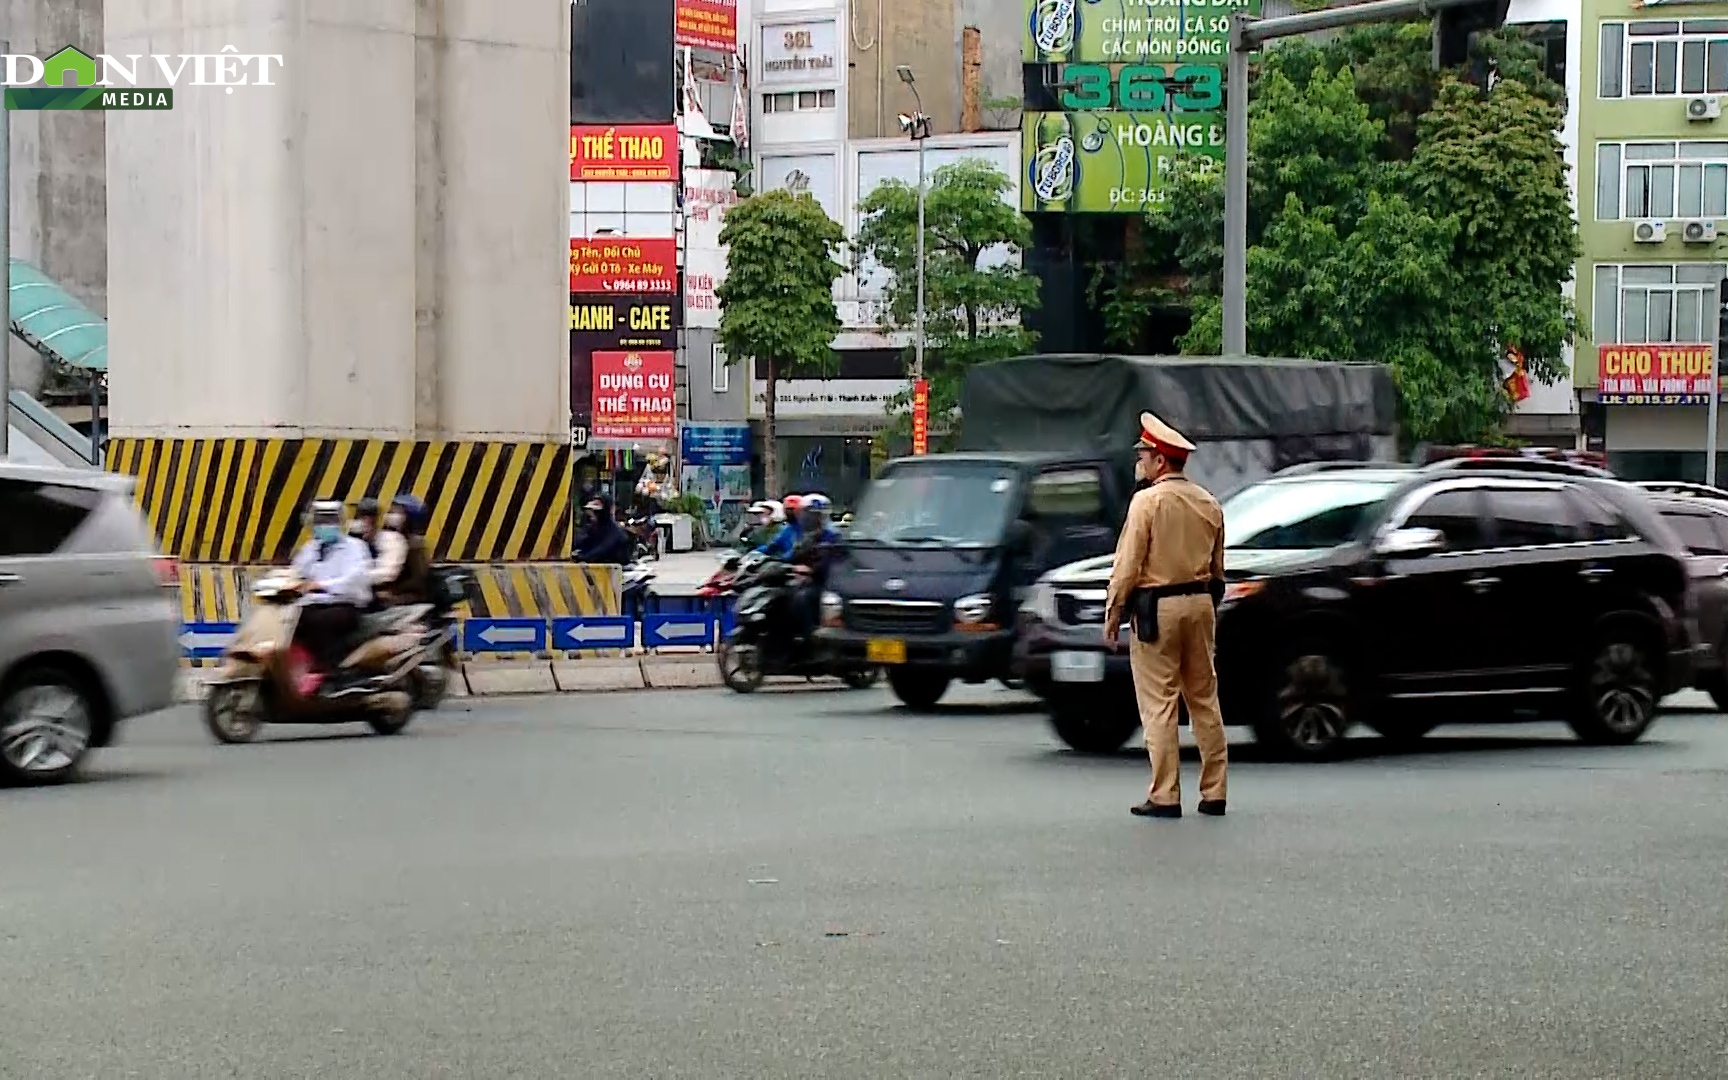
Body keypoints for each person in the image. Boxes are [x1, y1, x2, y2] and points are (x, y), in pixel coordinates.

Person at [1103, 412, 1228, 820]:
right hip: (1201, 604)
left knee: (1159, 703)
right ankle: (1214, 791)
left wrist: (1114, 610)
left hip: (1159, 609)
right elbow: (1218, 568)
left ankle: (1165, 794)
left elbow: (1128, 563)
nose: (1139, 460)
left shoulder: (1147, 501)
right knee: (1204, 699)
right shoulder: (1208, 502)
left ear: (1160, 461)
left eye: (1143, 454)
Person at [291, 500, 374, 673]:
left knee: (321, 621)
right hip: (313, 603)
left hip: (346, 604)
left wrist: (322, 585)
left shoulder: (355, 547)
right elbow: (297, 571)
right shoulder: (310, 548)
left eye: (330, 521)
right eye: (320, 521)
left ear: (340, 523)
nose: (325, 525)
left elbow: (355, 580)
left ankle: (332, 673)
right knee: (291, 621)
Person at [789, 493, 841, 640]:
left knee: (802, 598)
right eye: (804, 514)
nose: (806, 518)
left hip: (825, 583)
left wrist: (811, 571)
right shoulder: (807, 537)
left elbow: (830, 562)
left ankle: (809, 638)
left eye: (810, 514)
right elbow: (794, 556)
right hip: (806, 580)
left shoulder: (833, 537)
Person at [371, 493, 431, 605]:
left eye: (397, 512)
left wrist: (392, 592)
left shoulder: (415, 545)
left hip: (405, 599)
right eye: (391, 511)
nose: (391, 515)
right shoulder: (387, 538)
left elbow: (418, 580)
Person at [575, 494, 632, 565]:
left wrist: (583, 557)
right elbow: (585, 541)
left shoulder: (615, 533)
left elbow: (604, 548)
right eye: (592, 511)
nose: (592, 516)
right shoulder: (594, 529)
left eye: (596, 512)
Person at [754, 494, 804, 560]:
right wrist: (755, 552)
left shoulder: (807, 529)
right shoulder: (788, 529)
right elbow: (775, 544)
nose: (789, 512)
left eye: (792, 509)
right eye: (787, 509)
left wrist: (780, 558)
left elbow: (796, 551)